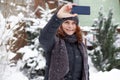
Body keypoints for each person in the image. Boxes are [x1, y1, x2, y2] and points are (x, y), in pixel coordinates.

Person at [39, 3, 89, 80]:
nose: (70, 26)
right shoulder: (54, 42)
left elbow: (85, 71)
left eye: (73, 23)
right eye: (66, 22)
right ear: (60, 25)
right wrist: (58, 17)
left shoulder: (80, 44)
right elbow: (44, 39)